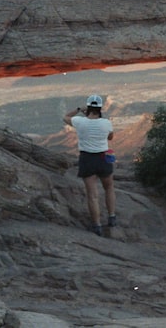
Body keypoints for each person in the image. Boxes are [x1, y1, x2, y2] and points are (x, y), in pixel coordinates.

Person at [62, 94, 116, 236]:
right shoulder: (106, 123)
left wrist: (79, 109)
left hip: (87, 158)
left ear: (88, 108)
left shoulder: (80, 122)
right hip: (104, 156)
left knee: (92, 195)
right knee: (109, 187)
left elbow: (65, 117)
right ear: (100, 108)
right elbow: (110, 137)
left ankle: (97, 225)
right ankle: (112, 217)